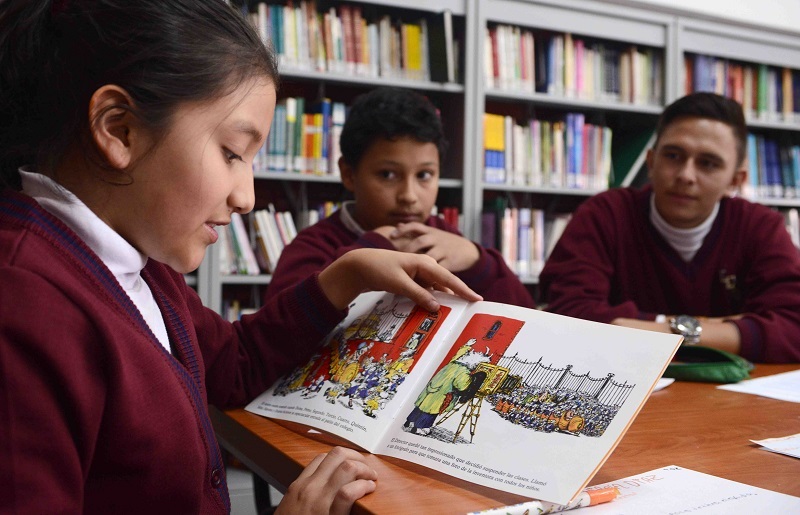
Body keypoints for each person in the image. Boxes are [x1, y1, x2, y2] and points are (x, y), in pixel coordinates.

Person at [0, 2, 482, 514]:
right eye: (232, 153)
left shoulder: (140, 266)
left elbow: (233, 363)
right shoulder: (23, 306)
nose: (247, 198)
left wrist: (344, 278)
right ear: (120, 130)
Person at [538, 92, 800, 363]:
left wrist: (655, 329)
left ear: (735, 180)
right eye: (673, 156)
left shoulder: (760, 228)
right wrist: (725, 329)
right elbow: (568, 316)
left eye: (708, 163)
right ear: (651, 162)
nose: (686, 175)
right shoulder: (605, 215)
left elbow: (793, 326)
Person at [263, 87, 535, 309]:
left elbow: (527, 316)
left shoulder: (441, 238)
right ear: (348, 173)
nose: (409, 196)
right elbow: (280, 329)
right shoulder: (313, 247)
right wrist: (371, 247)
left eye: (424, 175)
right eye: (388, 175)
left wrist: (479, 262)